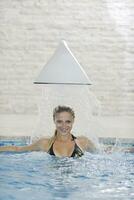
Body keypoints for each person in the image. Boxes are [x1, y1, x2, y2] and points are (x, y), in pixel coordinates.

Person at [0, 105, 98, 158]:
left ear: (73, 121)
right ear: (54, 121)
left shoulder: (83, 142)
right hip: (53, 184)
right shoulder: (45, 143)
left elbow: (100, 153)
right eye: (59, 121)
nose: (64, 126)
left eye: (67, 122)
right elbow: (18, 149)